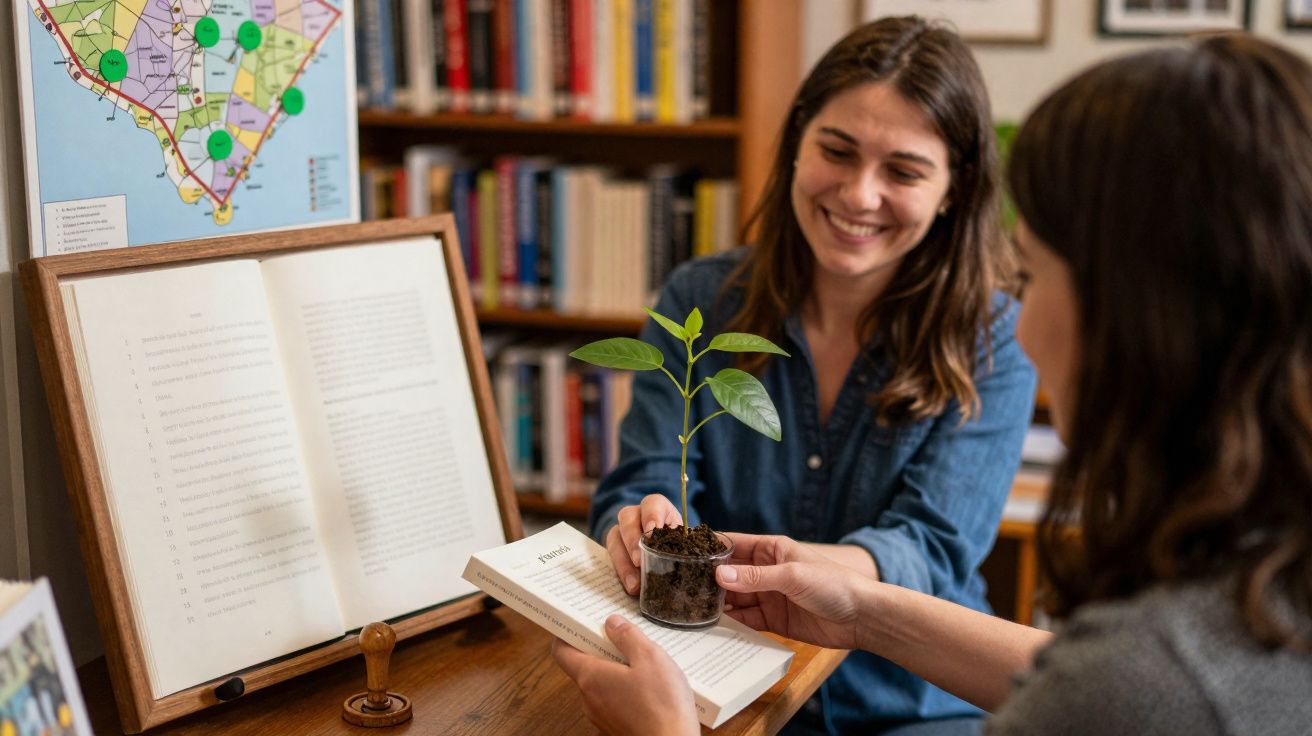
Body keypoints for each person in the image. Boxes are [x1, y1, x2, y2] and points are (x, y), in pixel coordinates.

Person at [556, 31, 1312, 735]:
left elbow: (946, 559)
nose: (858, 195)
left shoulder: (1155, 672)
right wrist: (656, 528)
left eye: (1039, 271)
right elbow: (1085, 678)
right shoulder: (1225, 617)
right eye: (838, 152)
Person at [586, 15, 1036, 736]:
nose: (860, 195)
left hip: (909, 708)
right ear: (796, 144)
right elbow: (639, 478)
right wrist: (635, 523)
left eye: (904, 171)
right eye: (837, 150)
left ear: (954, 189)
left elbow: (929, 548)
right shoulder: (700, 301)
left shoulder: (992, 339)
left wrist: (777, 577)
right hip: (716, 692)